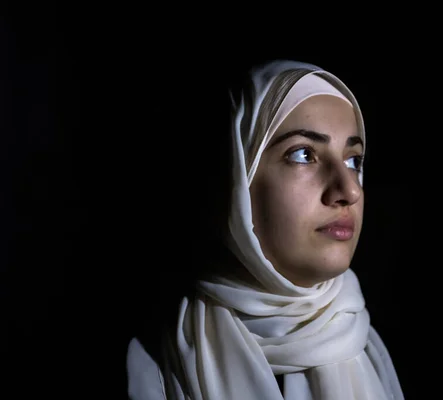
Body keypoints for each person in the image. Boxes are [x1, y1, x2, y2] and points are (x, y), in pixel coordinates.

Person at [126, 59, 405, 400]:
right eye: (303, 154)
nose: (349, 191)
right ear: (237, 180)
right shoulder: (154, 363)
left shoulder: (368, 346)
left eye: (353, 161)